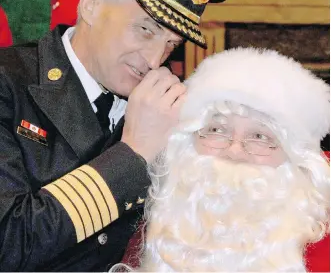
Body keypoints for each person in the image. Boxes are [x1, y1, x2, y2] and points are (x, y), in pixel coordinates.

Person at [0, 0, 231, 271]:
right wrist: (134, 153)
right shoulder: (10, 82)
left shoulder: (166, 105)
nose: (155, 59)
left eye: (171, 44)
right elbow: (8, 242)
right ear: (91, 4)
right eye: (145, 30)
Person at [116, 48, 330, 272]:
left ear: (294, 158)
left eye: (259, 136)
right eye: (217, 129)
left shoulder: (323, 253)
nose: (234, 151)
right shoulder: (146, 232)